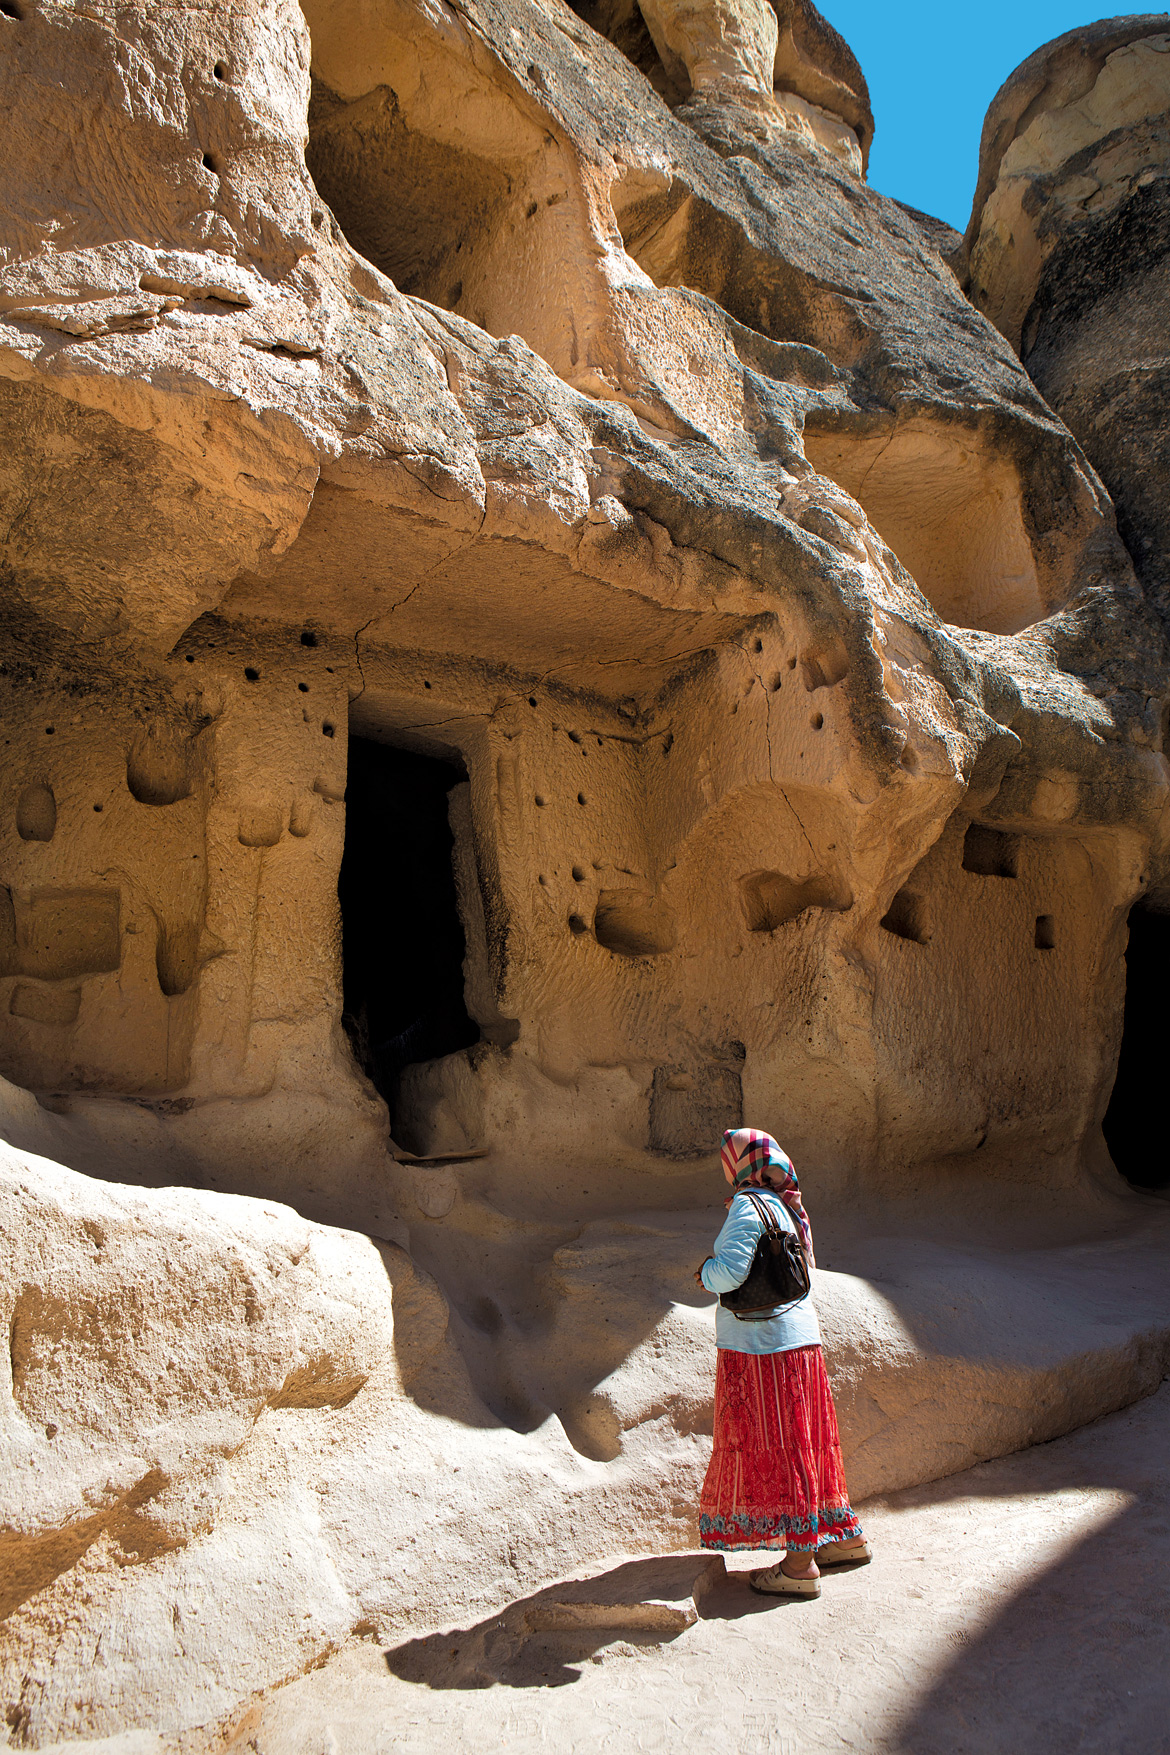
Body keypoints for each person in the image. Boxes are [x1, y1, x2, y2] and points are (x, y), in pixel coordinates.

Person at [694, 1126, 869, 1597]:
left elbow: (729, 1271)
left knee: (783, 1444)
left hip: (761, 1349)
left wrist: (703, 1272)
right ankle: (840, 1538)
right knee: (811, 1441)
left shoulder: (746, 1207)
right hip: (801, 1344)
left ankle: (798, 1567)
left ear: (738, 1168)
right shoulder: (788, 1208)